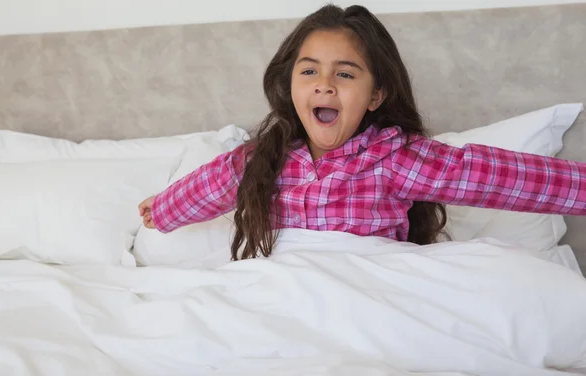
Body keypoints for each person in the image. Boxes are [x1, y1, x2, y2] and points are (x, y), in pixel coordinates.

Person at [138, 4, 586, 261]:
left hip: (368, 288)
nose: (324, 84)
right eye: (309, 70)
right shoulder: (265, 156)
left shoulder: (396, 156)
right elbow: (212, 184)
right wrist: (162, 209)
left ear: (375, 96)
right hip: (286, 292)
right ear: (290, 83)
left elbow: (492, 175)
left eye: (346, 75)